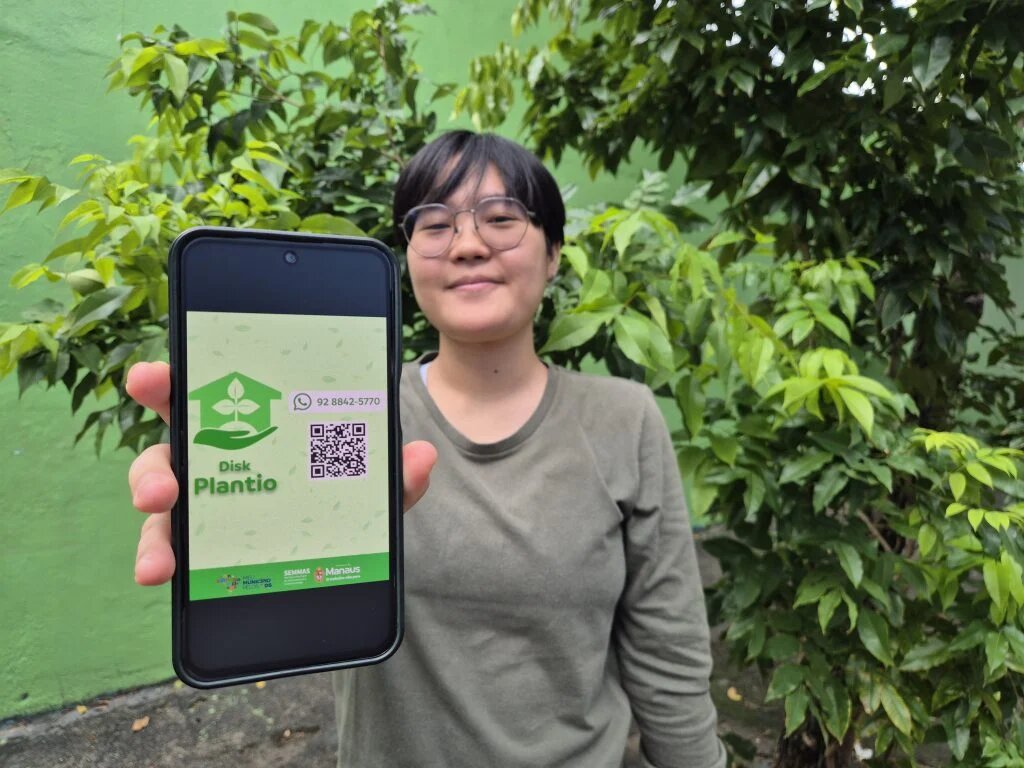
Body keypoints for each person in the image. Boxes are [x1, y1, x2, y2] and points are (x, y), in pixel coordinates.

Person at [126, 131, 726, 768]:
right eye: (435, 225)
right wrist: (232, 492)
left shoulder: (624, 420)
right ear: (408, 261)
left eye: (501, 219)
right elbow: (292, 545)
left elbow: (668, 648)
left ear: (553, 252)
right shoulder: (347, 411)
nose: (467, 245)